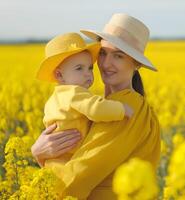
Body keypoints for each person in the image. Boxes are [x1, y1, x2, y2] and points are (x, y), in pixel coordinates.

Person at [31, 13, 161, 199]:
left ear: (137, 63)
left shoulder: (125, 108)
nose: (106, 63)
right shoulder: (105, 107)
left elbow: (77, 178)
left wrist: (39, 161)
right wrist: (41, 155)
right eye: (103, 53)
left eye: (118, 56)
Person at [36, 32, 133, 167]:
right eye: (79, 68)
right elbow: (96, 109)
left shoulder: (55, 99)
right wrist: (122, 109)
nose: (87, 73)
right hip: (69, 162)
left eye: (90, 67)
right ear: (59, 75)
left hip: (54, 162)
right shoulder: (74, 93)